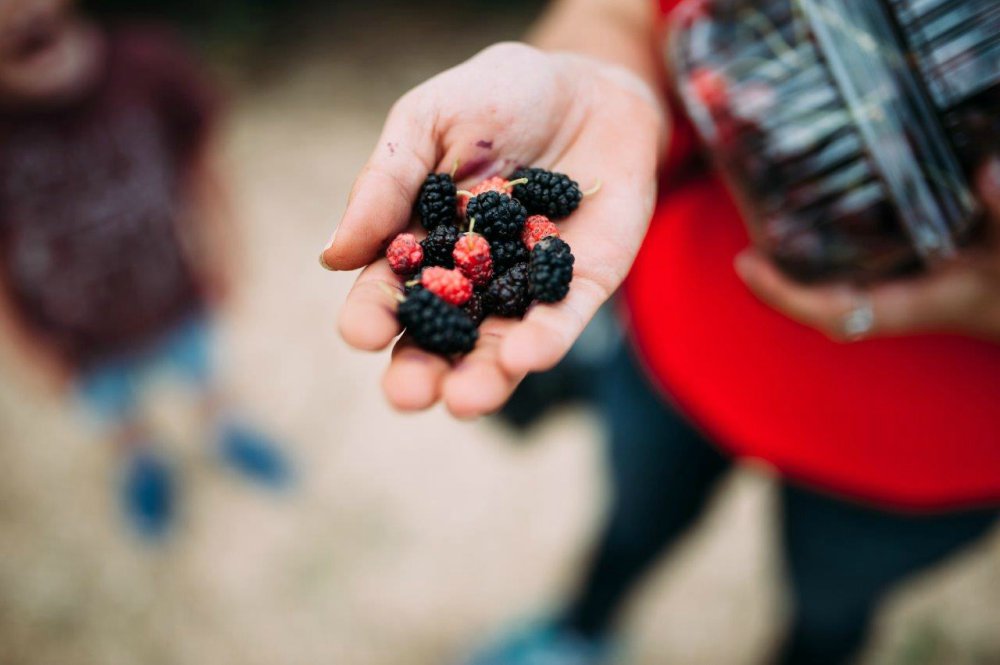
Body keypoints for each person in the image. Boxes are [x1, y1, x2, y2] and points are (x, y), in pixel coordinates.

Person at [320, 0, 1000, 662]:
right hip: (678, 339)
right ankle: (580, 630)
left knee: (831, 608)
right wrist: (594, 68)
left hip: (928, 448)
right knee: (632, 523)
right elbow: (628, 12)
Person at [0, 0, 292, 541]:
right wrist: (24, 345)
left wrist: (227, 251)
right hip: (77, 334)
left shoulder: (147, 66)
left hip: (176, 295)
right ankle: (143, 462)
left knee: (206, 374)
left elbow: (203, 165)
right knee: (114, 411)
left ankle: (225, 430)